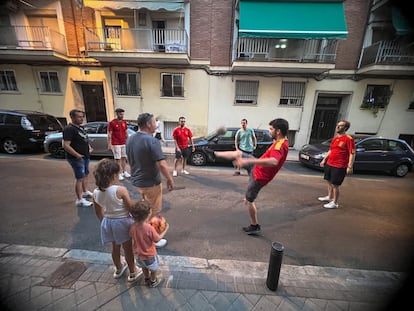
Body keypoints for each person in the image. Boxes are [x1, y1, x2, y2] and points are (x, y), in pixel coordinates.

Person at [211, 118, 289, 235]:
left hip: (259, 177)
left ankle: (254, 225)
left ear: (278, 131)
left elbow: (274, 161)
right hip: (256, 167)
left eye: (271, 129)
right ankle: (214, 154)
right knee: (238, 153)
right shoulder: (281, 142)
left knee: (249, 201)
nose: (269, 131)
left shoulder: (279, 145)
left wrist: (248, 162)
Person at [126, 112, 174, 248]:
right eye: (154, 123)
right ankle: (152, 239)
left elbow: (129, 159)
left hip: (136, 182)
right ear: (148, 124)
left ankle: (139, 235)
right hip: (150, 183)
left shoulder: (130, 139)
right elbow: (162, 164)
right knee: (152, 212)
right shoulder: (152, 140)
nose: (156, 125)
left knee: (141, 212)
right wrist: (169, 179)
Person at [92, 158, 142, 282]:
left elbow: (98, 212)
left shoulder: (95, 192)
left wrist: (106, 222)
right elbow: (130, 208)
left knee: (115, 247)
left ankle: (119, 268)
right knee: (128, 248)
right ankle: (133, 271)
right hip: (122, 222)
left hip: (108, 222)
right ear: (113, 175)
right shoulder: (120, 190)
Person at [129, 200, 169, 287]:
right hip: (149, 255)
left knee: (144, 267)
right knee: (153, 269)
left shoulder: (132, 226)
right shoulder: (149, 228)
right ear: (148, 215)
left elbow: (132, 235)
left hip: (138, 254)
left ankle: (146, 278)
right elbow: (157, 239)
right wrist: (165, 229)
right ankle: (153, 281)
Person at [318, 120, 355, 209]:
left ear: (345, 128)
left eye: (341, 126)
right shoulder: (335, 138)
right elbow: (331, 150)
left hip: (340, 166)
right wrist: (324, 160)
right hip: (330, 163)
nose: (338, 127)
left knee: (335, 185)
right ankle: (329, 197)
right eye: (337, 125)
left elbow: (352, 153)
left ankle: (335, 202)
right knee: (329, 181)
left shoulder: (349, 139)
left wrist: (350, 166)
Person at [63, 109, 94, 207]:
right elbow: (66, 145)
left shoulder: (81, 128)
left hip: (85, 156)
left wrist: (88, 147)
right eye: (79, 117)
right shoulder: (69, 129)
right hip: (76, 158)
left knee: (85, 175)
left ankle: (85, 191)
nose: (81, 119)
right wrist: (77, 155)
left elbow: (84, 139)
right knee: (80, 178)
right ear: (72, 117)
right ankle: (79, 199)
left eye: (82, 117)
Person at [108, 108, 131, 181]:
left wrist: (128, 141)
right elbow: (109, 134)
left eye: (123, 114)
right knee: (118, 159)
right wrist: (109, 144)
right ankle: (119, 173)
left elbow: (126, 132)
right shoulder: (112, 123)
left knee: (124, 157)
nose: (122, 115)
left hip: (123, 142)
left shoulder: (124, 122)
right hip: (116, 143)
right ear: (117, 114)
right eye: (120, 114)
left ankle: (124, 171)